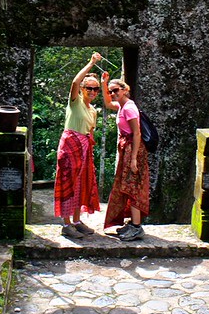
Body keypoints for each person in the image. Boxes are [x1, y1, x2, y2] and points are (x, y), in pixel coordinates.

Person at [53, 52, 103, 239]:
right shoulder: (75, 103)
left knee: (81, 184)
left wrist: (104, 84)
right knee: (68, 182)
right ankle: (66, 224)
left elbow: (90, 132)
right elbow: (74, 82)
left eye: (95, 89)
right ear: (82, 89)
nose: (92, 91)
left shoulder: (92, 111)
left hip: (83, 148)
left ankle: (76, 221)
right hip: (70, 147)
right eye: (89, 88)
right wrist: (91, 63)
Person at [101, 72, 149, 241]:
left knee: (133, 186)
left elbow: (137, 134)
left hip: (133, 150)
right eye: (111, 91)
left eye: (115, 90)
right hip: (126, 149)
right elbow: (107, 104)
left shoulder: (129, 108)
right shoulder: (121, 106)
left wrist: (134, 158)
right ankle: (133, 223)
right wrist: (104, 84)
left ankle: (137, 227)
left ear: (124, 90)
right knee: (127, 185)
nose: (112, 94)